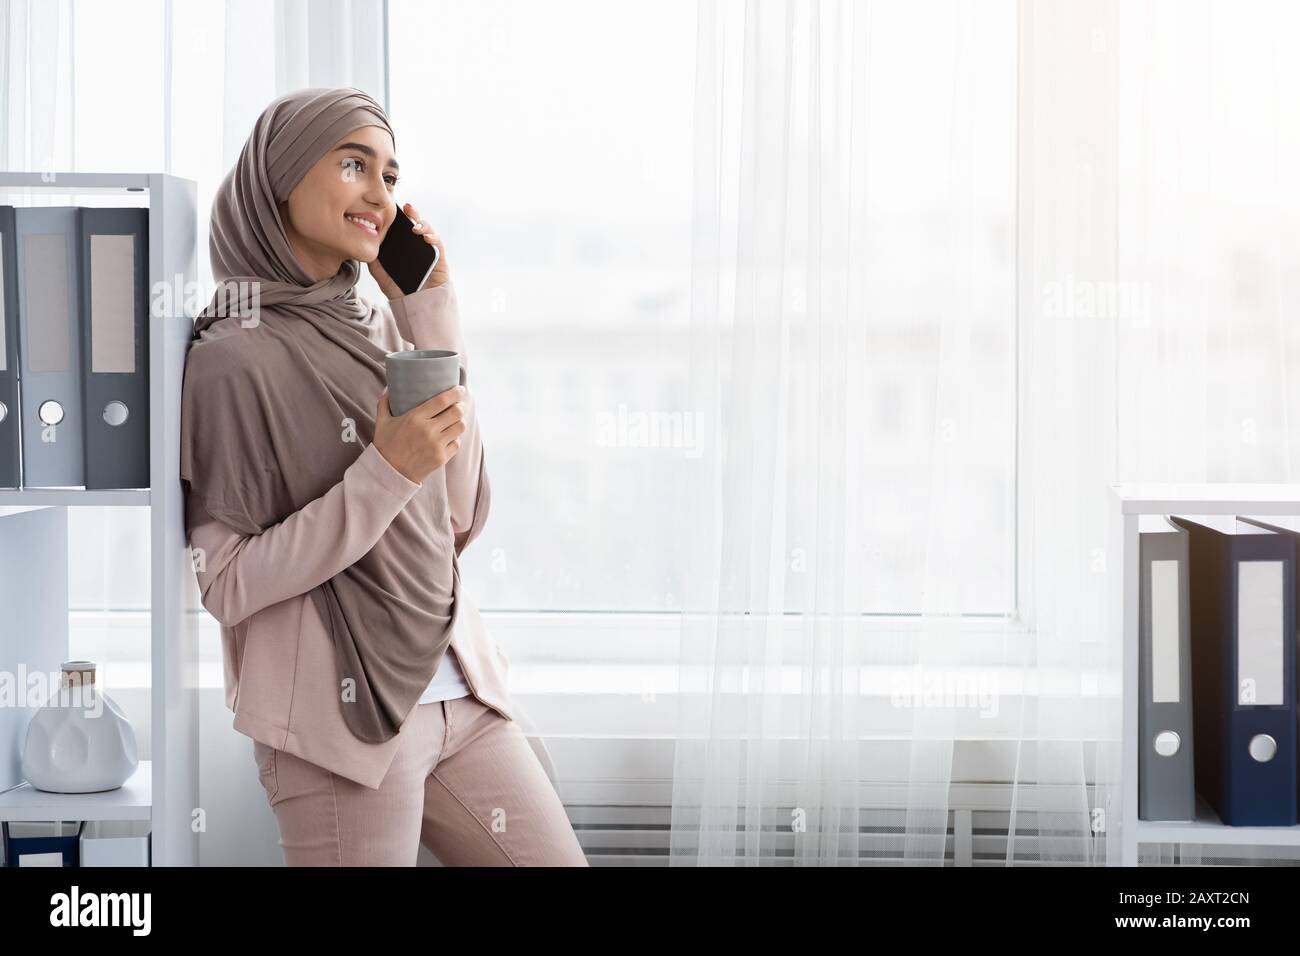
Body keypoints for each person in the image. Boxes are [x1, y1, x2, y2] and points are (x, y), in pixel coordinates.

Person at [178, 87, 587, 866]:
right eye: (354, 164)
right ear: (283, 175)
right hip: (345, 734)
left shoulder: (377, 324)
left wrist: (430, 314)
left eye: (392, 176)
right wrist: (385, 472)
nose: (381, 195)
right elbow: (225, 583)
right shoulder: (232, 359)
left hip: (461, 697)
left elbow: (455, 520)